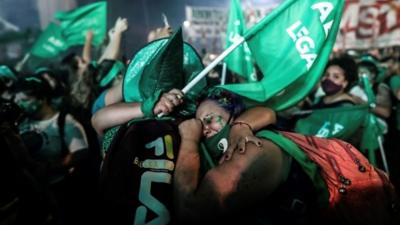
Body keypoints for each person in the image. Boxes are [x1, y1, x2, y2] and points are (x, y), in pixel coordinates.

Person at [173, 88, 398, 225]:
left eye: (211, 119)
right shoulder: (236, 140)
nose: (203, 128)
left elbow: (191, 213)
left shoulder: (251, 149)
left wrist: (189, 140)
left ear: (234, 118)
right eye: (198, 122)